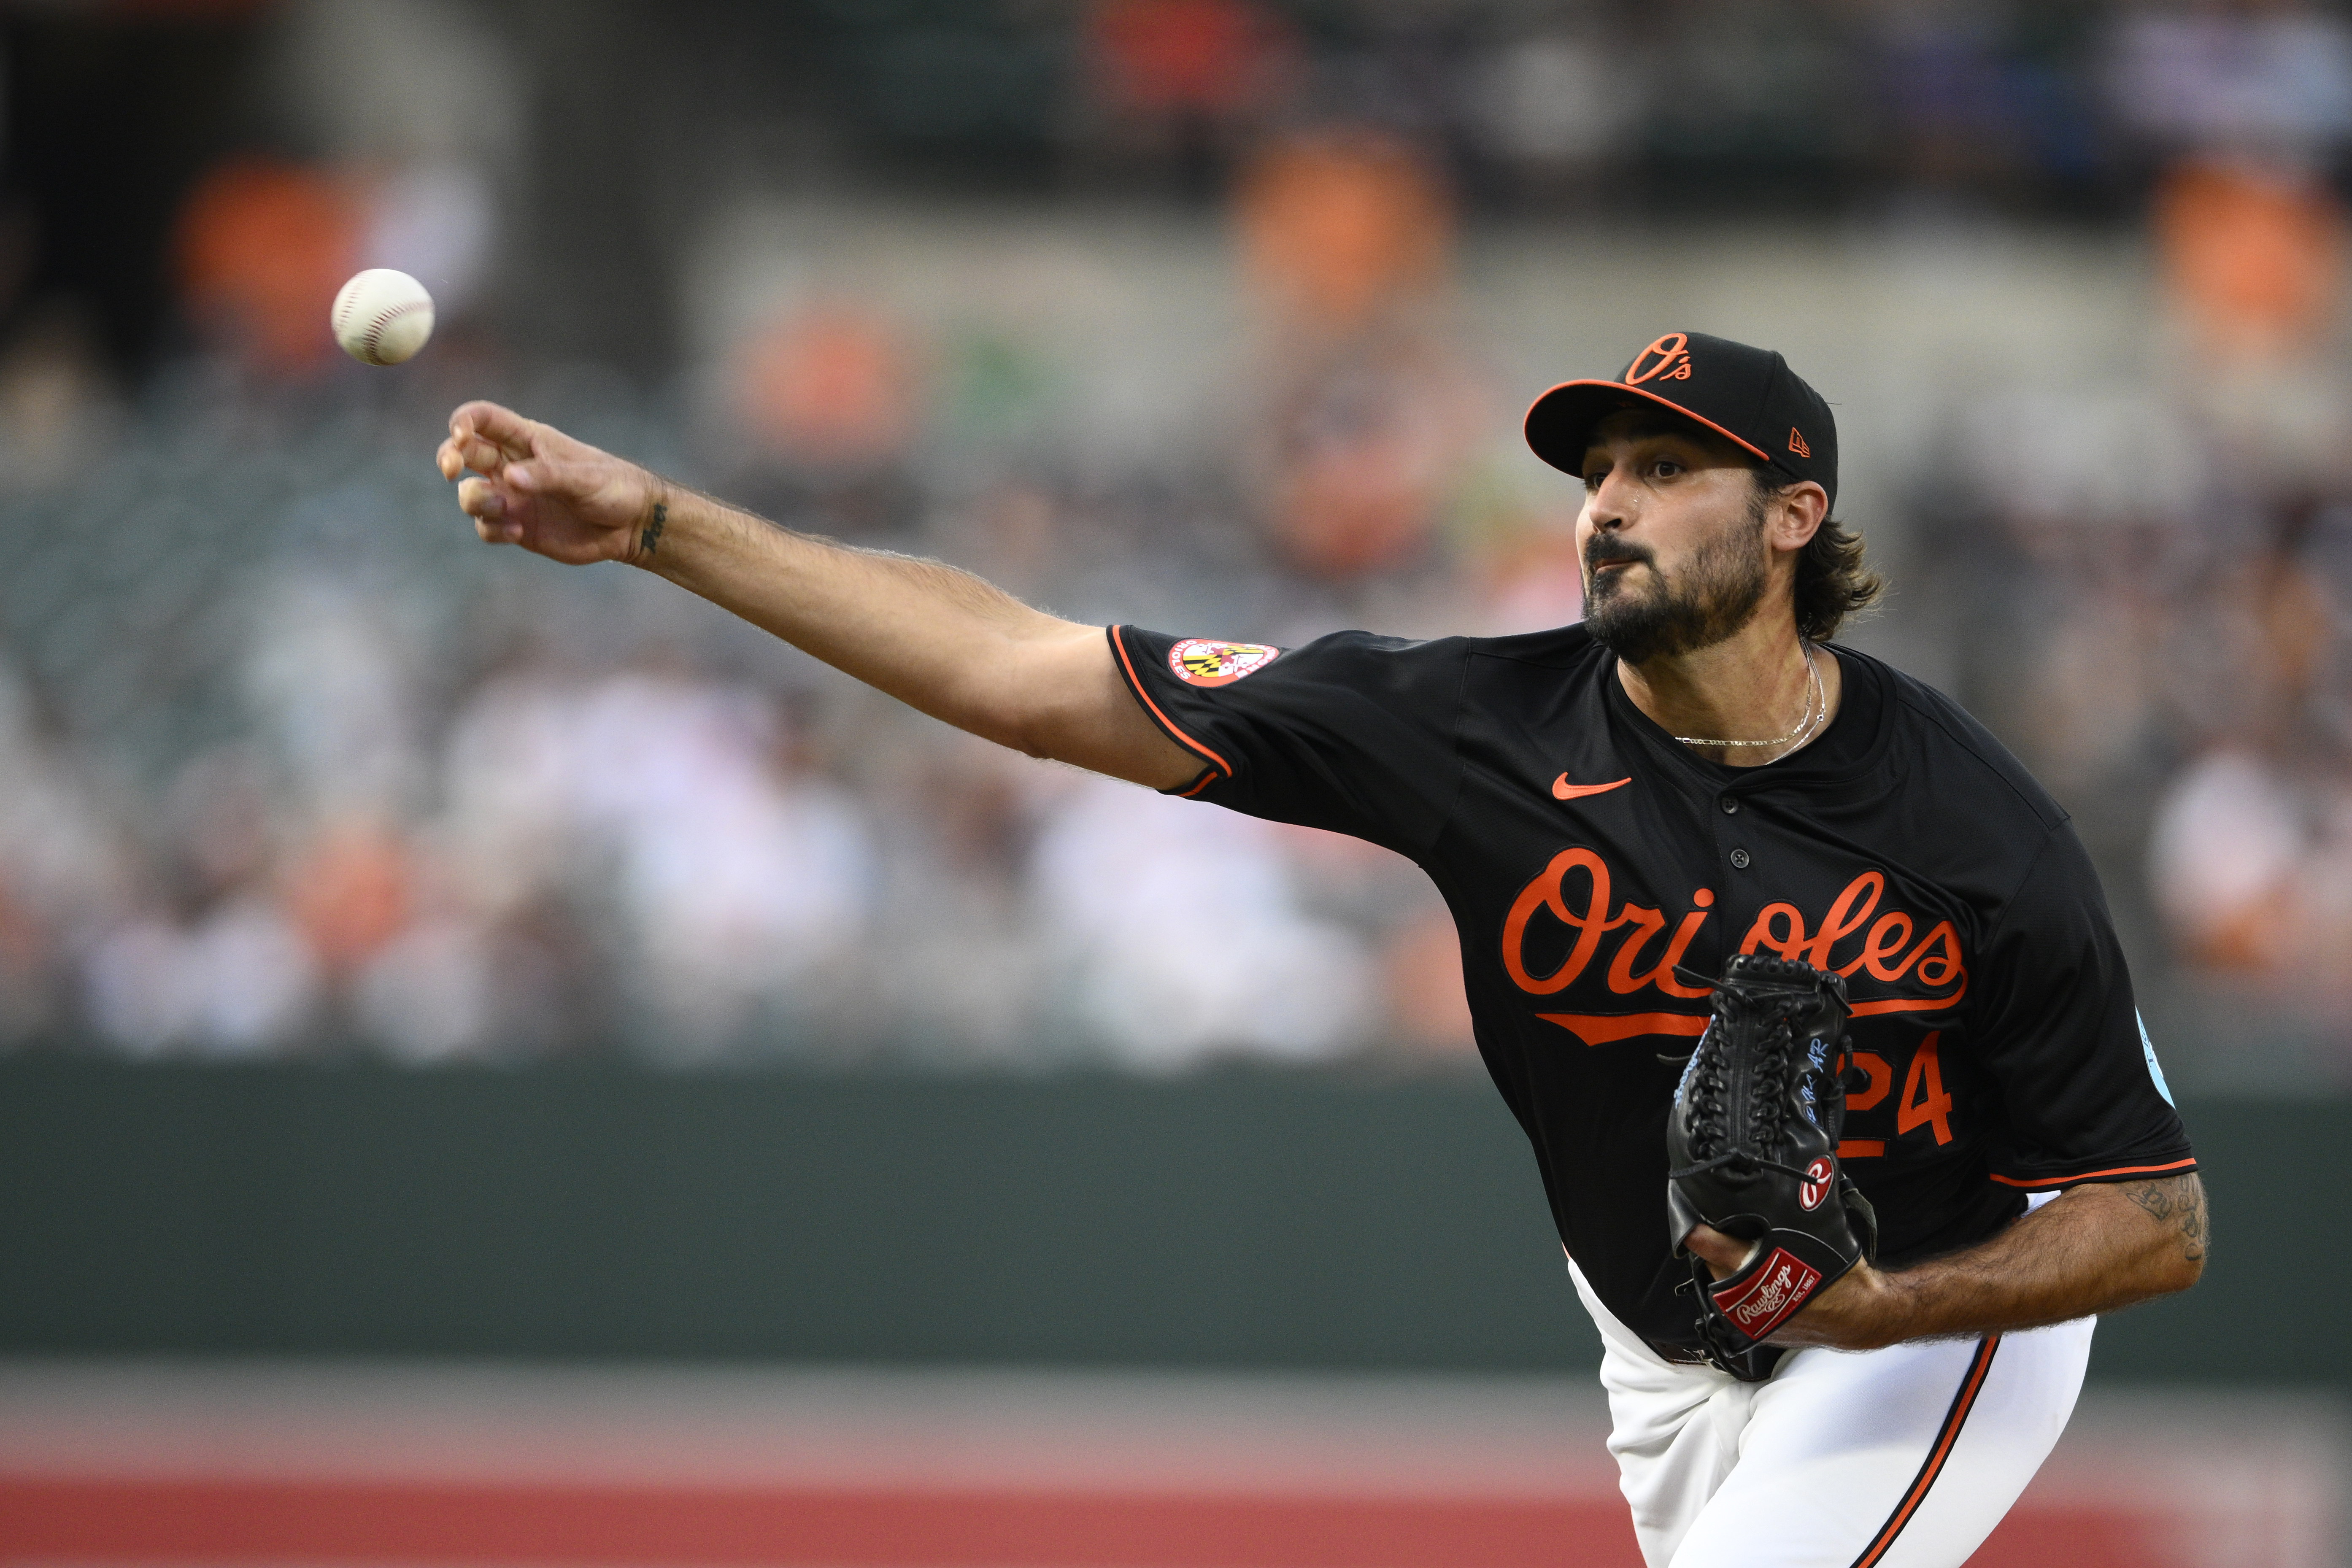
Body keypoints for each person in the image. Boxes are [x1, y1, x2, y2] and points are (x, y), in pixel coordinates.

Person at [435, 329, 2204, 1568]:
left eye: (1665, 470)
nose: (1605, 502)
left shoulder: (1971, 825)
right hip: (1657, 1338)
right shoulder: (1473, 727)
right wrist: (663, 529)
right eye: (1596, 470)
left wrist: (1880, 1301)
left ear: (1794, 518)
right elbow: (1025, 676)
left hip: (1930, 1309)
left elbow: (2152, 1218)